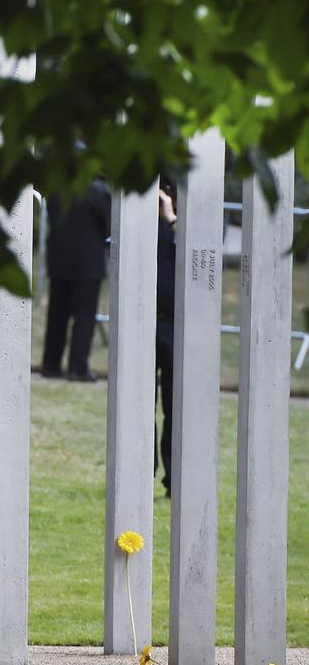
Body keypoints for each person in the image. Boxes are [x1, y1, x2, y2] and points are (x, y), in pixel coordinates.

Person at [42, 178, 112, 380]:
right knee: (84, 317)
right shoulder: (97, 191)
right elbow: (107, 224)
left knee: (57, 316)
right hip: (87, 261)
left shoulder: (56, 188)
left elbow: (52, 217)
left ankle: (51, 364)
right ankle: (77, 367)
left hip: (59, 259)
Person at [155, 180, 178, 496]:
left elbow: (201, 246)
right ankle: (139, 475)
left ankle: (174, 478)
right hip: (145, 321)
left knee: (175, 407)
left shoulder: (192, 205)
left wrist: (170, 215)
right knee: (139, 405)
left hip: (176, 324)